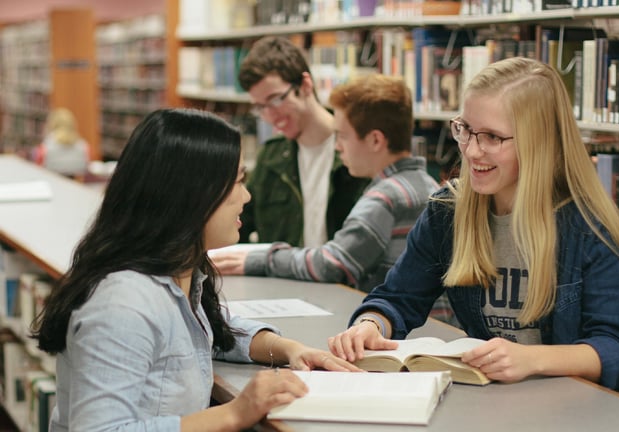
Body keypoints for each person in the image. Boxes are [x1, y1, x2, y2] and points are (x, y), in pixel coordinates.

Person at [30, 108, 360, 431]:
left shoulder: (176, 273)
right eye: (238, 181)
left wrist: (289, 349)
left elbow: (208, 332)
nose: (246, 196)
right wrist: (235, 413)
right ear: (193, 194)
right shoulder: (123, 305)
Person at [327, 57, 619, 391]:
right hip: (490, 401)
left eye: (493, 137)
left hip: (569, 409)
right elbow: (397, 298)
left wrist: (530, 359)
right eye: (465, 130)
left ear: (538, 142)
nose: (472, 151)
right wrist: (370, 325)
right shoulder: (448, 213)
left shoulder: (587, 228)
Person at [213, 74, 439, 293]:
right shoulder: (429, 185)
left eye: (342, 136)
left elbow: (334, 263)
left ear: (375, 140)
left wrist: (260, 260)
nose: (337, 146)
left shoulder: (386, 197)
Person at [237, 36, 369, 247]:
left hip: (343, 280)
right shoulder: (270, 157)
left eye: (276, 99)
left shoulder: (356, 150)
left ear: (305, 85)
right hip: (283, 280)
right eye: (260, 107)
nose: (270, 116)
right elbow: (239, 226)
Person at [34, 107, 90, 179]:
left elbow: (38, 168)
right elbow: (86, 167)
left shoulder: (45, 146)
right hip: (76, 185)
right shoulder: (84, 146)